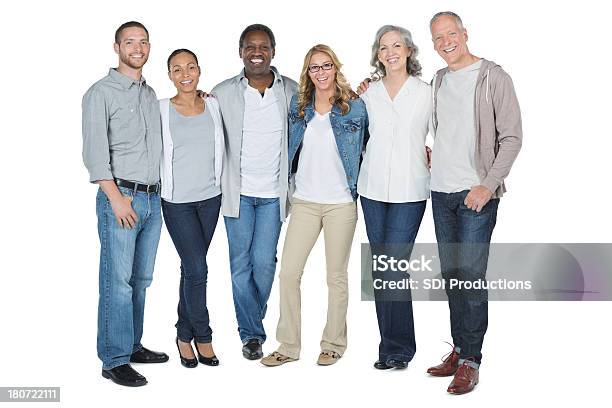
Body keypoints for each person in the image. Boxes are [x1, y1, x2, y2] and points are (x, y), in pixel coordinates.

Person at [426, 11, 522, 394]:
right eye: (438, 38)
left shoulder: (493, 77)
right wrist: (433, 155)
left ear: (464, 34)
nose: (446, 42)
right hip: (441, 192)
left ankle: (471, 360)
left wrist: (488, 184)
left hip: (474, 195)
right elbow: (445, 130)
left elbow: (512, 138)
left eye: (451, 34)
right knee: (451, 277)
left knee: (470, 276)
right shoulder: (438, 79)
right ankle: (460, 347)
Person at [261, 44, 368, 367]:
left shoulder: (356, 106)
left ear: (335, 67)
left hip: (340, 203)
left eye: (326, 66)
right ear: (307, 73)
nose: (320, 73)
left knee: (336, 276)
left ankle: (333, 344)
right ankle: (288, 346)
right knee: (289, 273)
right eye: (314, 68)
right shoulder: (299, 104)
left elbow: (377, 142)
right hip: (305, 201)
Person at [82, 21, 168, 387]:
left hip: (153, 198)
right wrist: (116, 199)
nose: (138, 47)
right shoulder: (100, 93)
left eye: (143, 42)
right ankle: (113, 359)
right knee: (117, 281)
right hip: (122, 198)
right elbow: (95, 154)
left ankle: (132, 345)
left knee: (141, 280)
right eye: (130, 42)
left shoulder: (149, 94)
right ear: (117, 47)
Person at [211, 24, 298, 360]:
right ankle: (251, 334)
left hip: (275, 194)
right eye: (250, 46)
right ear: (241, 51)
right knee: (239, 265)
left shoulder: (290, 90)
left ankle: (251, 318)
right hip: (238, 193)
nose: (256, 52)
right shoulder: (222, 92)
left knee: (264, 263)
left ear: (273, 51)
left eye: (263, 46)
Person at [358, 25, 432, 370]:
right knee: (380, 267)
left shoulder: (427, 92)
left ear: (409, 51)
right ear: (378, 54)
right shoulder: (367, 93)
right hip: (371, 189)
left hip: (410, 190)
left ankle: (399, 348)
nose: (390, 52)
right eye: (383, 47)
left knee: (394, 267)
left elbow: (445, 133)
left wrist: (435, 154)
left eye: (397, 45)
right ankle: (388, 347)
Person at [159, 49, 224, 368]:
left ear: (199, 70)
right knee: (198, 270)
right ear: (169, 75)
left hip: (211, 199)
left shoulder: (213, 104)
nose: (185, 73)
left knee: (192, 269)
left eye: (190, 67)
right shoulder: (159, 109)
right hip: (177, 203)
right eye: (177, 69)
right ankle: (203, 336)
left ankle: (183, 334)